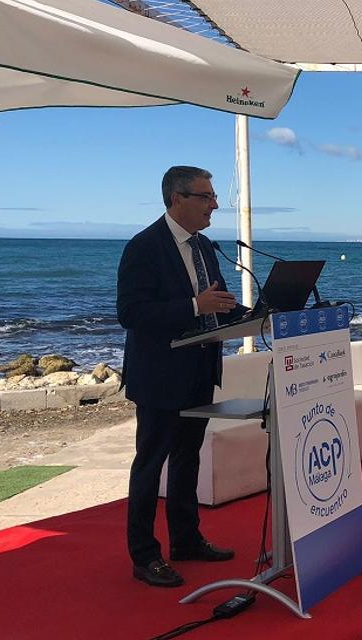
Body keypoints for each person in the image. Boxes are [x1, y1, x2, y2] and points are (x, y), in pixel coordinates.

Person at [117, 165, 248, 587]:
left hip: (199, 370)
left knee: (188, 459)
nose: (214, 205)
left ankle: (186, 540)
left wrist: (265, 314)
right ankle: (144, 555)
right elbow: (131, 313)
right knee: (150, 464)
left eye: (213, 197)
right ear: (177, 198)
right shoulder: (143, 247)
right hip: (159, 376)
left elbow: (219, 303)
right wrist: (194, 306)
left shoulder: (206, 247)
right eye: (206, 196)